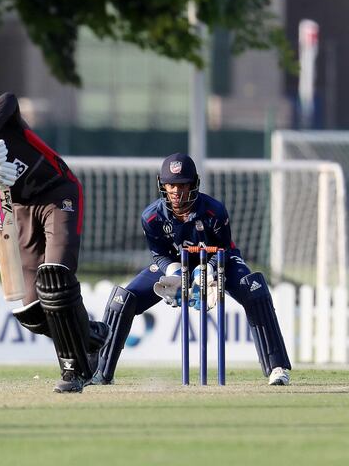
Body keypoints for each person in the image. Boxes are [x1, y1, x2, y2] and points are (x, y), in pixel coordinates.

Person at [0, 86, 109, 393]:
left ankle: (74, 370)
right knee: (30, 312)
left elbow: (9, 99)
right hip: (19, 211)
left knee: (56, 277)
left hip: (57, 193)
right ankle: (92, 336)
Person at [88, 152, 292, 386]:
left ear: (194, 183)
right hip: (175, 261)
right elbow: (158, 254)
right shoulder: (152, 217)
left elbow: (224, 248)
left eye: (182, 185)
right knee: (123, 300)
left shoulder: (215, 211)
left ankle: (277, 367)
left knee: (253, 289)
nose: (176, 191)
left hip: (219, 260)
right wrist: (174, 271)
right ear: (162, 185)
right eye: (171, 185)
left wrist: (209, 270)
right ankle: (100, 372)